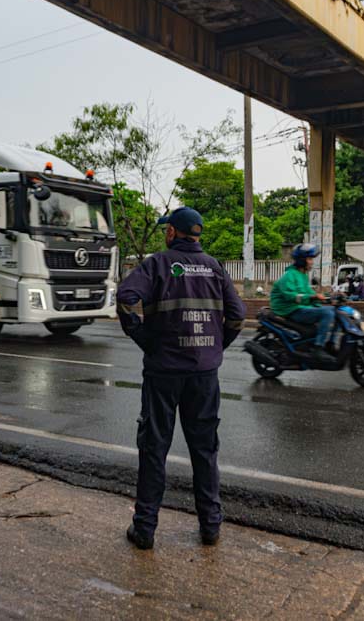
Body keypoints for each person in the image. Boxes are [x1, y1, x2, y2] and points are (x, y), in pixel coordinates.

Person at [116, 207, 246, 551]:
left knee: (154, 448)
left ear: (173, 232)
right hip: (204, 374)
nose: (164, 235)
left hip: (164, 373)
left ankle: (144, 529)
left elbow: (126, 300)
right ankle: (210, 527)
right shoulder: (215, 267)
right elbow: (237, 316)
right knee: (204, 450)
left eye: (166, 230)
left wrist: (146, 340)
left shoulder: (158, 263)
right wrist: (214, 347)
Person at [270, 244, 337, 364]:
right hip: (290, 310)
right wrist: (313, 296)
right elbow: (291, 296)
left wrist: (328, 298)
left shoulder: (303, 275)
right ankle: (318, 348)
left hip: (300, 308)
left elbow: (309, 294)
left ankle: (330, 344)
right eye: (310, 259)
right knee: (327, 313)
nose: (312, 262)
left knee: (335, 311)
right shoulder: (289, 276)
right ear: (302, 260)